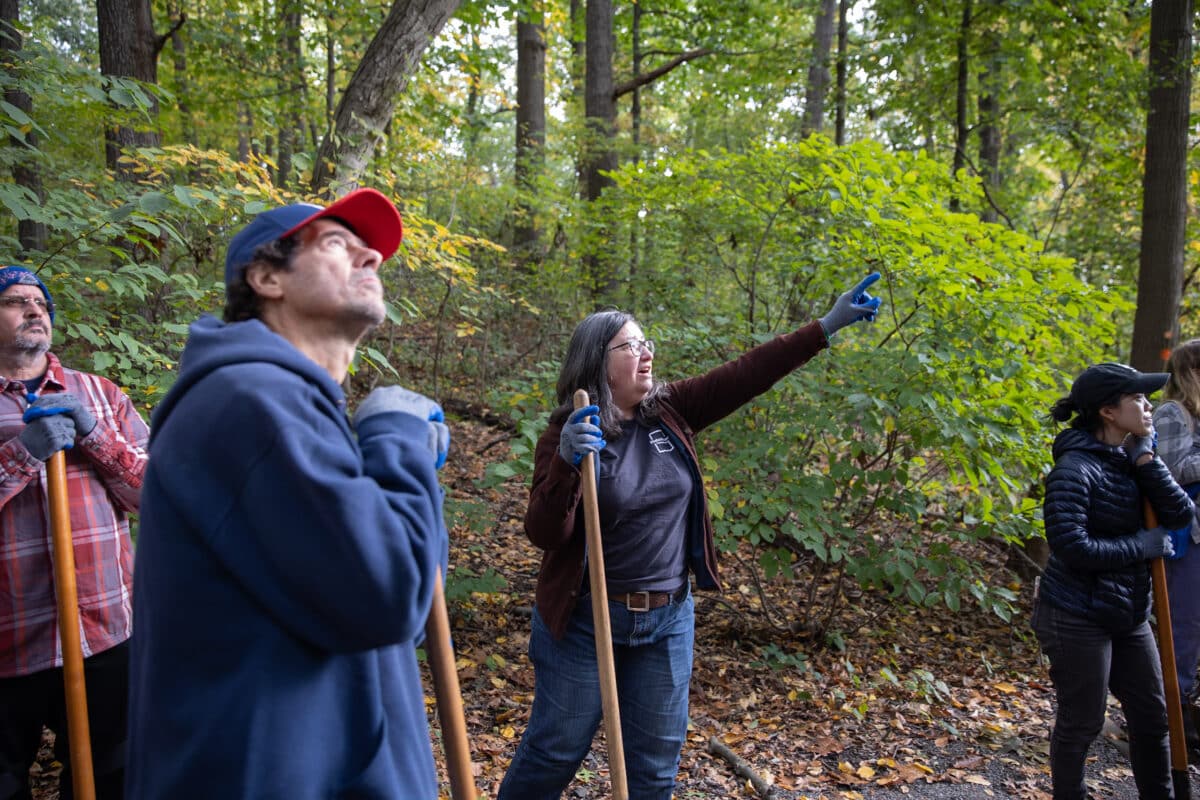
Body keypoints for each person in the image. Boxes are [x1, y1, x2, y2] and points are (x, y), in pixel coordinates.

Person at [497, 273, 883, 799]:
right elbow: (545, 533)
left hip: (667, 618)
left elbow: (748, 373)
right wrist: (566, 462)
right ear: (596, 361)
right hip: (588, 622)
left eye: (646, 342)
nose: (647, 354)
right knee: (554, 753)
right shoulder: (570, 432)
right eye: (631, 346)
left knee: (654, 769)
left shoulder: (670, 411)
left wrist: (828, 325)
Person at [125, 188, 451, 799]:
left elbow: (401, 605)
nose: (371, 258)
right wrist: (396, 436)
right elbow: (388, 594)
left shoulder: (294, 407)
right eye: (337, 243)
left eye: (371, 251)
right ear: (267, 276)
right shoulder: (249, 401)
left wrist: (394, 464)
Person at [0, 265, 149, 800]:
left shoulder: (102, 395)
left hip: (105, 635)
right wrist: (23, 454)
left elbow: (159, 496)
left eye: (39, 301)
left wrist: (96, 434)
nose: (34, 309)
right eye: (15, 301)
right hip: (8, 644)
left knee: (116, 777)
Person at [1034, 362, 1195, 800]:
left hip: (1128, 611)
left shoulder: (1133, 457)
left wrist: (1146, 457)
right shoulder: (1074, 469)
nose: (1148, 406)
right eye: (1137, 399)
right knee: (1083, 720)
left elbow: (1180, 514)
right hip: (1075, 614)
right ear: (1108, 411)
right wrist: (1139, 547)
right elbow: (1072, 546)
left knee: (1152, 716)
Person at [1153, 339, 1200, 756]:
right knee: (1183, 628)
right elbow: (1170, 473)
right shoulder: (1173, 413)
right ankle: (1172, 720)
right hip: (1187, 539)